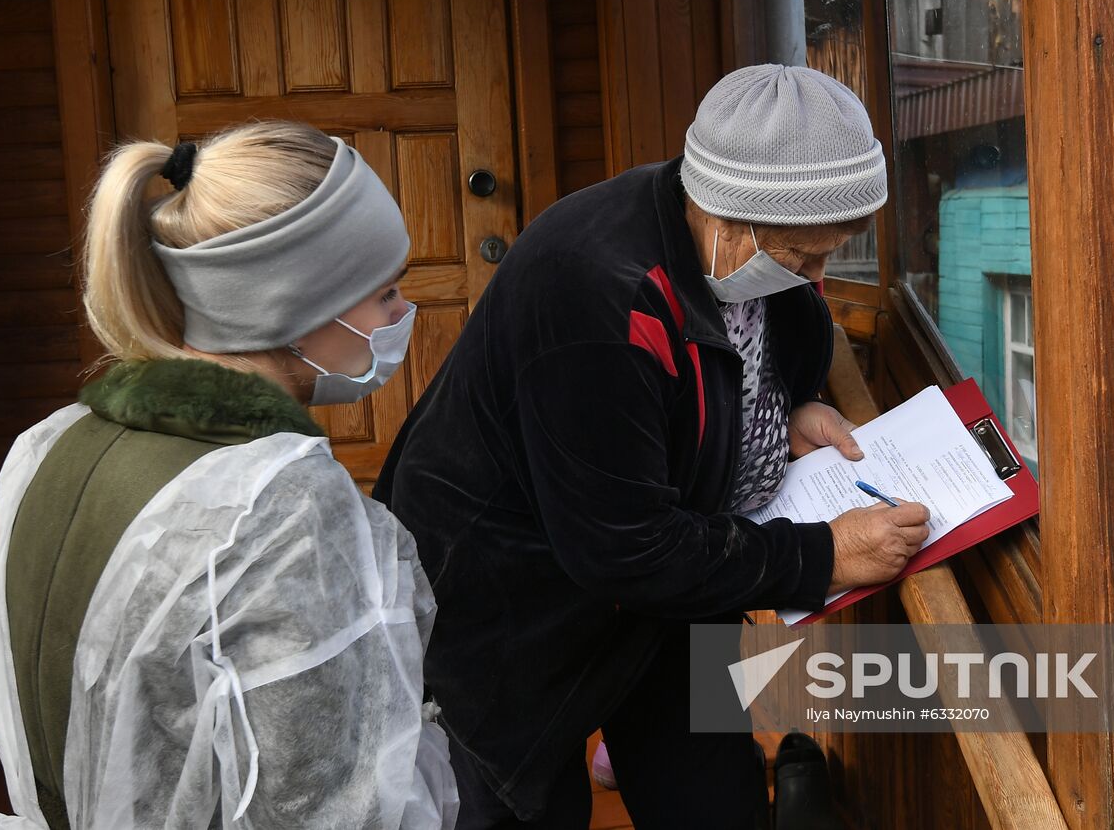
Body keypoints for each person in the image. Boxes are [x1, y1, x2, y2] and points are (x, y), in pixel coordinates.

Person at [373, 64, 932, 828]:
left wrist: (785, 408)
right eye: (804, 258)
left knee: (716, 800)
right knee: (527, 804)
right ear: (732, 218)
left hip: (669, 590)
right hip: (515, 607)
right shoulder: (595, 290)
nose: (817, 279)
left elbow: (749, 354)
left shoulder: (731, 248)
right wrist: (821, 557)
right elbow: (623, 548)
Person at [0, 122, 458, 829]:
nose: (403, 313)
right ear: (295, 305)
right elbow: (334, 799)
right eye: (384, 292)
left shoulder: (50, 444)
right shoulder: (283, 505)